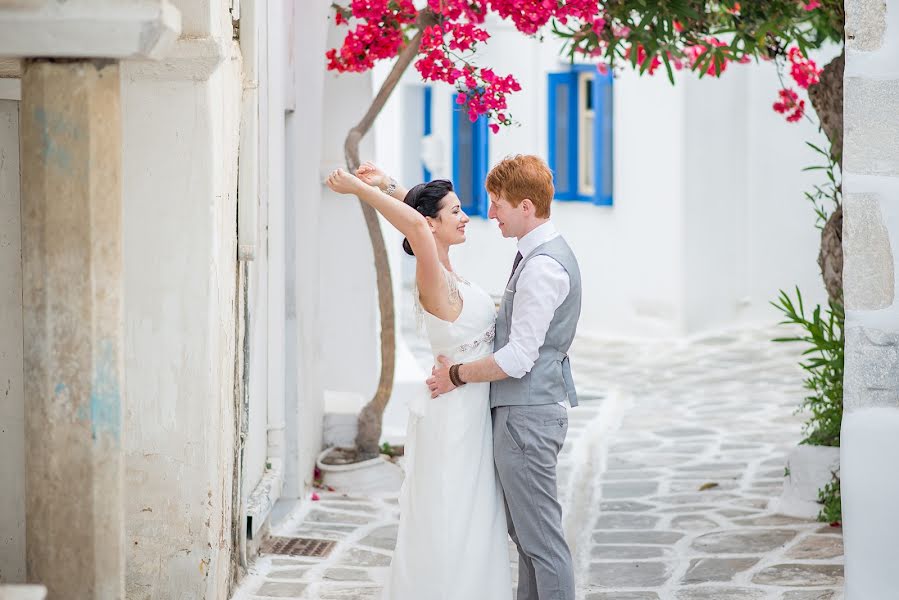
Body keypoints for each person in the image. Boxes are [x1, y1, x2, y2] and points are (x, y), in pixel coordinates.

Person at [325, 163, 513, 600]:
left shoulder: (448, 270)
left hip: (469, 413)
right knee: (449, 517)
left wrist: (390, 184)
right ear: (432, 226)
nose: (466, 217)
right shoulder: (431, 276)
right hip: (453, 418)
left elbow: (420, 217)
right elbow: (415, 223)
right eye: (457, 212)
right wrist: (358, 189)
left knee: (472, 516)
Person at [427, 154, 582, 600]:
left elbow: (518, 359)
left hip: (527, 418)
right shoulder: (536, 257)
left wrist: (456, 374)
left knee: (543, 544)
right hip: (524, 414)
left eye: (497, 203)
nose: (490, 213)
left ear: (526, 207)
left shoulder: (542, 268)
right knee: (529, 540)